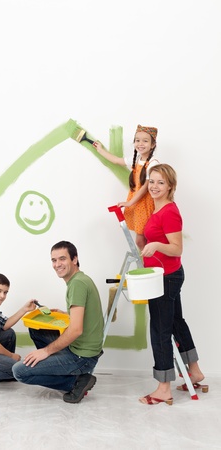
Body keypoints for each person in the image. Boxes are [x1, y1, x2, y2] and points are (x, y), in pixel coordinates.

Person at [139, 164, 207, 405]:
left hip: (166, 277)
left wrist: (155, 246)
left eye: (160, 182)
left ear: (170, 186)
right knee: (175, 322)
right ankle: (195, 370)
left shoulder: (169, 211)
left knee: (160, 329)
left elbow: (177, 248)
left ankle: (163, 387)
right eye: (151, 181)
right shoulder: (156, 210)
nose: (155, 186)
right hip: (165, 275)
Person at [12, 241, 104, 404]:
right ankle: (62, 370)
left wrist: (46, 352)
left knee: (19, 371)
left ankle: (76, 381)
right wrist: (65, 313)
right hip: (84, 348)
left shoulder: (77, 284)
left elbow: (76, 330)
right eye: (54, 260)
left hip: (82, 356)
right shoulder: (79, 279)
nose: (57, 264)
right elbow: (83, 316)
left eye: (62, 259)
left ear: (74, 259)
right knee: (36, 329)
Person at [94, 124, 159, 250]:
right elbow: (117, 160)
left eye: (145, 141)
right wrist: (101, 150)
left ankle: (150, 265)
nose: (140, 143)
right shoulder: (137, 159)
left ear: (152, 145)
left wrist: (129, 203)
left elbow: (145, 187)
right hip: (137, 202)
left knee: (143, 240)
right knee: (142, 240)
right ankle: (148, 264)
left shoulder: (153, 163)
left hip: (145, 204)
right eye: (137, 140)